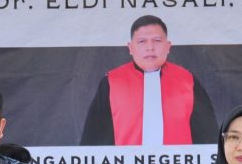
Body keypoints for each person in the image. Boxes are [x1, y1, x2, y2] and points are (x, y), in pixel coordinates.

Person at [80, 15, 219, 146]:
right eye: (142, 41)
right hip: (127, 163)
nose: (150, 47)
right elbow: (92, 140)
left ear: (168, 46)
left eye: (157, 41)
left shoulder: (188, 81)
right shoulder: (112, 82)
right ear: (130, 48)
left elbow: (209, 139)